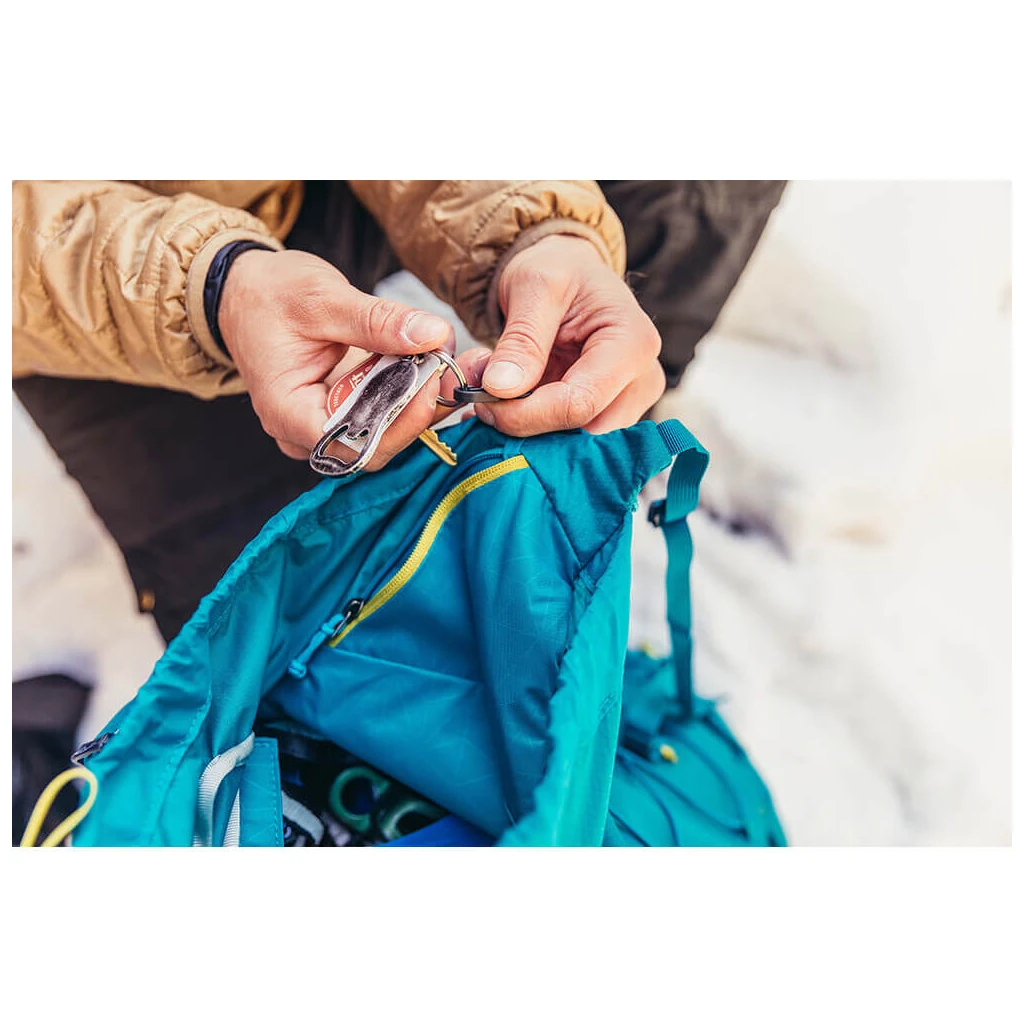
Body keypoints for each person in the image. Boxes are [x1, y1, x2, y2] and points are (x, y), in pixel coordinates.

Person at [13, 180, 784, 640]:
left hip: (327, 187)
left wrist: (534, 229)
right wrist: (211, 288)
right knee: (290, 622)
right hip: (83, 277)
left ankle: (597, 427)